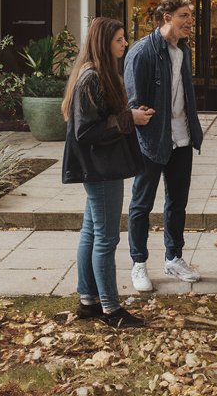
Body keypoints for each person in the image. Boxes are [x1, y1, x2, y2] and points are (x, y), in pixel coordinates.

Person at [61, 17, 154, 329]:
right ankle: (111, 310)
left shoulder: (96, 74)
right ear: (104, 43)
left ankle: (89, 301)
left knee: (91, 232)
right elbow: (86, 130)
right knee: (106, 237)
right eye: (119, 39)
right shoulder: (92, 78)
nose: (125, 43)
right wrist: (131, 119)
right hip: (101, 169)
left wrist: (130, 116)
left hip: (101, 166)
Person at [124, 0, 204, 292]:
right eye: (184, 16)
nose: (189, 22)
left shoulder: (184, 51)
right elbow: (134, 103)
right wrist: (141, 122)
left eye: (190, 16)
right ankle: (139, 263)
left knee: (177, 203)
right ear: (166, 17)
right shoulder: (142, 52)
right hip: (152, 141)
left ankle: (174, 258)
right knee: (141, 204)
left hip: (181, 138)